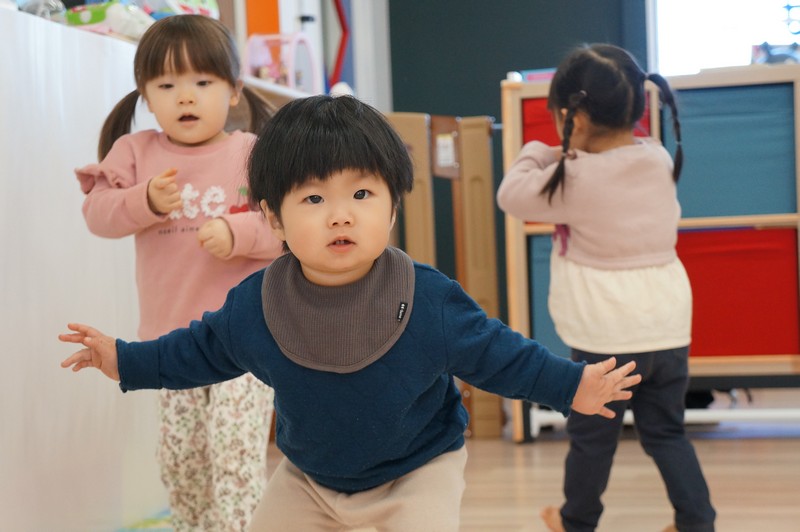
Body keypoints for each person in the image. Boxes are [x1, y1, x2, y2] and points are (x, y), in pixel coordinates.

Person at [61, 94, 642, 532]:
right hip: (309, 479)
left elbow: (499, 355)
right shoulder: (258, 304)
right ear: (274, 217)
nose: (341, 215)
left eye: (362, 195)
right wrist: (126, 360)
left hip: (416, 472)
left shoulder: (427, 298)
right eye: (314, 199)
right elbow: (198, 350)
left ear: (391, 207)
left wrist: (571, 385)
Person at [73, 15, 283, 532]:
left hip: (246, 337)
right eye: (166, 85)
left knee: (233, 456)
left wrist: (238, 233)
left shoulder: (252, 153)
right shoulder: (136, 153)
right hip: (173, 339)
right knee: (182, 461)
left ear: (234, 90)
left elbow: (289, 228)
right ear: (145, 94)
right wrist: (142, 200)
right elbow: (97, 215)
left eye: (203, 82)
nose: (185, 97)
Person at [497, 44, 716, 532]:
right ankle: (697, 522)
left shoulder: (573, 176)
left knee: (592, 438)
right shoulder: (657, 157)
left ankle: (576, 522)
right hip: (667, 327)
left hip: (607, 335)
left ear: (569, 118)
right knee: (667, 433)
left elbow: (510, 194)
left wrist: (542, 148)